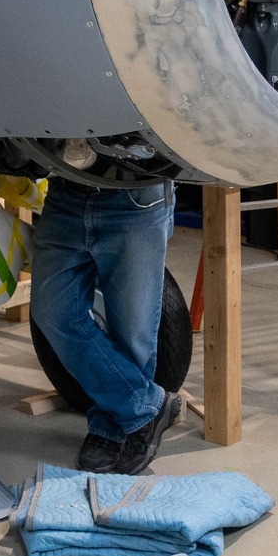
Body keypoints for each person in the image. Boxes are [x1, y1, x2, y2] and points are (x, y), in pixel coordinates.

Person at [28, 179, 180, 475]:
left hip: (135, 198)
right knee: (52, 311)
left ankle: (111, 428)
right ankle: (146, 406)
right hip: (67, 193)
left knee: (133, 332)